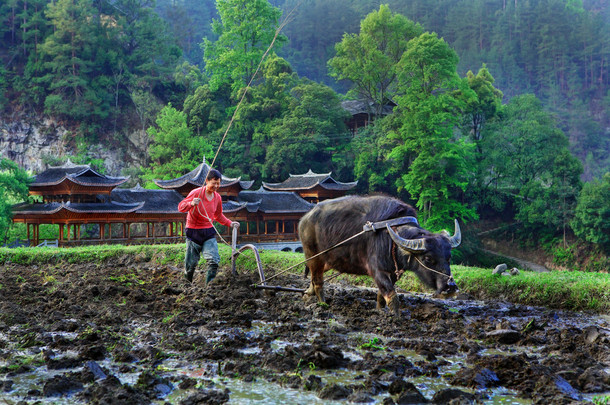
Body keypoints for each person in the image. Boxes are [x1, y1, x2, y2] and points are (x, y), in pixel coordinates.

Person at [178, 169, 239, 284]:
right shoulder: (196, 193)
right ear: (207, 181)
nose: (216, 186)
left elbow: (218, 216)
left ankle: (209, 287)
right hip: (193, 232)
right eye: (213, 183)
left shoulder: (217, 198)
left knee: (214, 260)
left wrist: (230, 223)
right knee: (190, 265)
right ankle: (187, 286)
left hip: (208, 232)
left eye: (218, 183)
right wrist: (191, 204)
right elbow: (181, 207)